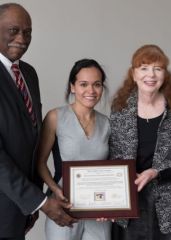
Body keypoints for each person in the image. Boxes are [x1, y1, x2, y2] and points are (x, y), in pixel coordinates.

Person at [0, 3, 77, 239]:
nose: (22, 38)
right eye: (13, 30)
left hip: (19, 210)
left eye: (28, 32)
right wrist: (39, 202)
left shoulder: (29, 73)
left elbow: (32, 138)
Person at [109, 44, 171, 240]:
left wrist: (157, 173)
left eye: (158, 68)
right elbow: (113, 155)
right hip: (128, 201)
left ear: (165, 74)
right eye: (144, 68)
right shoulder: (120, 107)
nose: (151, 75)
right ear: (133, 74)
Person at [37, 59, 112, 240]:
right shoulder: (55, 117)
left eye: (97, 84)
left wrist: (113, 204)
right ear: (72, 87)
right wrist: (55, 189)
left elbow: (112, 170)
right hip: (64, 206)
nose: (91, 91)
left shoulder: (107, 124)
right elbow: (39, 163)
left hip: (98, 211)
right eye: (83, 84)